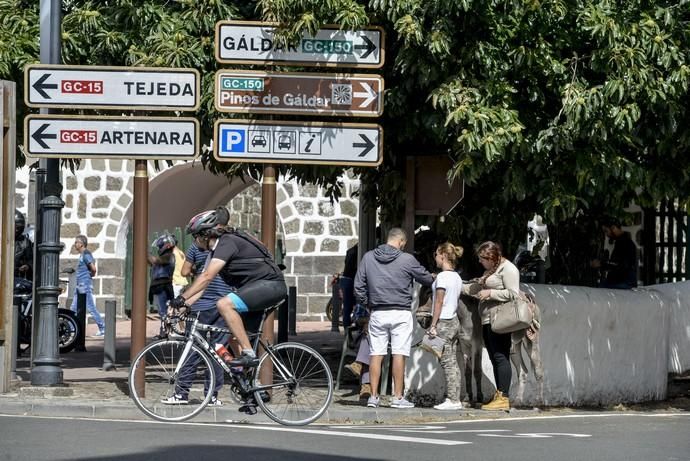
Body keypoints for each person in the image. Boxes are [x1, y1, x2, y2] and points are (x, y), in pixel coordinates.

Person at [170, 206, 287, 367]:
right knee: (233, 336)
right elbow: (203, 286)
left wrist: (182, 297)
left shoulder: (227, 242)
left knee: (224, 304)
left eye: (196, 236)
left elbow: (206, 276)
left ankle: (249, 354)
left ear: (205, 234)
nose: (195, 241)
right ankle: (250, 387)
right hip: (258, 287)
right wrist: (183, 306)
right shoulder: (214, 252)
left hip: (270, 285)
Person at [354, 227, 434, 409]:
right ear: (402, 242)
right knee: (399, 353)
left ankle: (373, 396)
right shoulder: (407, 259)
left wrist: (369, 303)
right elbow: (427, 279)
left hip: (378, 312)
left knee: (376, 353)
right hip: (401, 312)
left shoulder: (368, 257)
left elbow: (358, 286)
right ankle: (398, 398)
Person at [161, 240, 236, 407]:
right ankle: (212, 395)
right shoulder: (227, 247)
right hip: (224, 303)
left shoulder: (195, 247)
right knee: (218, 349)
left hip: (201, 303)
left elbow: (185, 270)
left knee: (192, 349)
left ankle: (181, 393)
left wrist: (198, 269)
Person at [463, 241, 520, 411]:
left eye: (482, 259)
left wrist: (490, 293)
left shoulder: (508, 269)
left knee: (501, 356)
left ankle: (504, 397)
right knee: (495, 357)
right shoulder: (492, 270)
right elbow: (476, 287)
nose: (480, 262)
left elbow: (513, 293)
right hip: (488, 319)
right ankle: (500, 394)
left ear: (491, 257)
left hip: (501, 319)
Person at [427, 242, 464, 411]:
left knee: (447, 362)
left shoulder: (442, 278)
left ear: (442, 255)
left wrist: (433, 325)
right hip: (454, 320)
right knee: (453, 362)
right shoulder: (456, 277)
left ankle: (453, 399)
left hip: (443, 321)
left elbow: (439, 301)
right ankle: (455, 397)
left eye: (436, 254)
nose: (435, 258)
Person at [70, 235, 105, 337]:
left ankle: (103, 328)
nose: (75, 244)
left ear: (81, 244)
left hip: (84, 285)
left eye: (76, 242)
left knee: (91, 307)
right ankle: (72, 328)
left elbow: (93, 268)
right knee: (73, 307)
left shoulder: (86, 254)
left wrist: (91, 275)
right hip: (80, 285)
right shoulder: (82, 255)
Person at [591, 219, 638, 289]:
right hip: (622, 281)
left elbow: (620, 265)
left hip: (624, 282)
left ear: (613, 228)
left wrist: (601, 264)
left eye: (606, 231)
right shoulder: (622, 242)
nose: (606, 235)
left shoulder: (624, 243)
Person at [148, 233, 176, 339]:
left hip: (164, 287)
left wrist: (145, 252)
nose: (159, 248)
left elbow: (155, 261)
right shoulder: (164, 256)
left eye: (160, 246)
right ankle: (164, 332)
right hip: (159, 287)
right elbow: (152, 262)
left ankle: (165, 332)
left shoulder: (169, 256)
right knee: (162, 311)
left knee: (164, 311)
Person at [339, 243, 358, 330]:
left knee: (347, 306)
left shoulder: (350, 251)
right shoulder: (356, 252)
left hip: (346, 279)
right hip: (350, 279)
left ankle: (347, 329)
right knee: (349, 306)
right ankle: (348, 329)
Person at [14, 210, 33, 280]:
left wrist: (27, 266)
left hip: (19, 278)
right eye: (16, 227)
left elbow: (31, 261)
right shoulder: (2, 240)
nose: (17, 230)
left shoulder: (25, 242)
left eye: (19, 228)